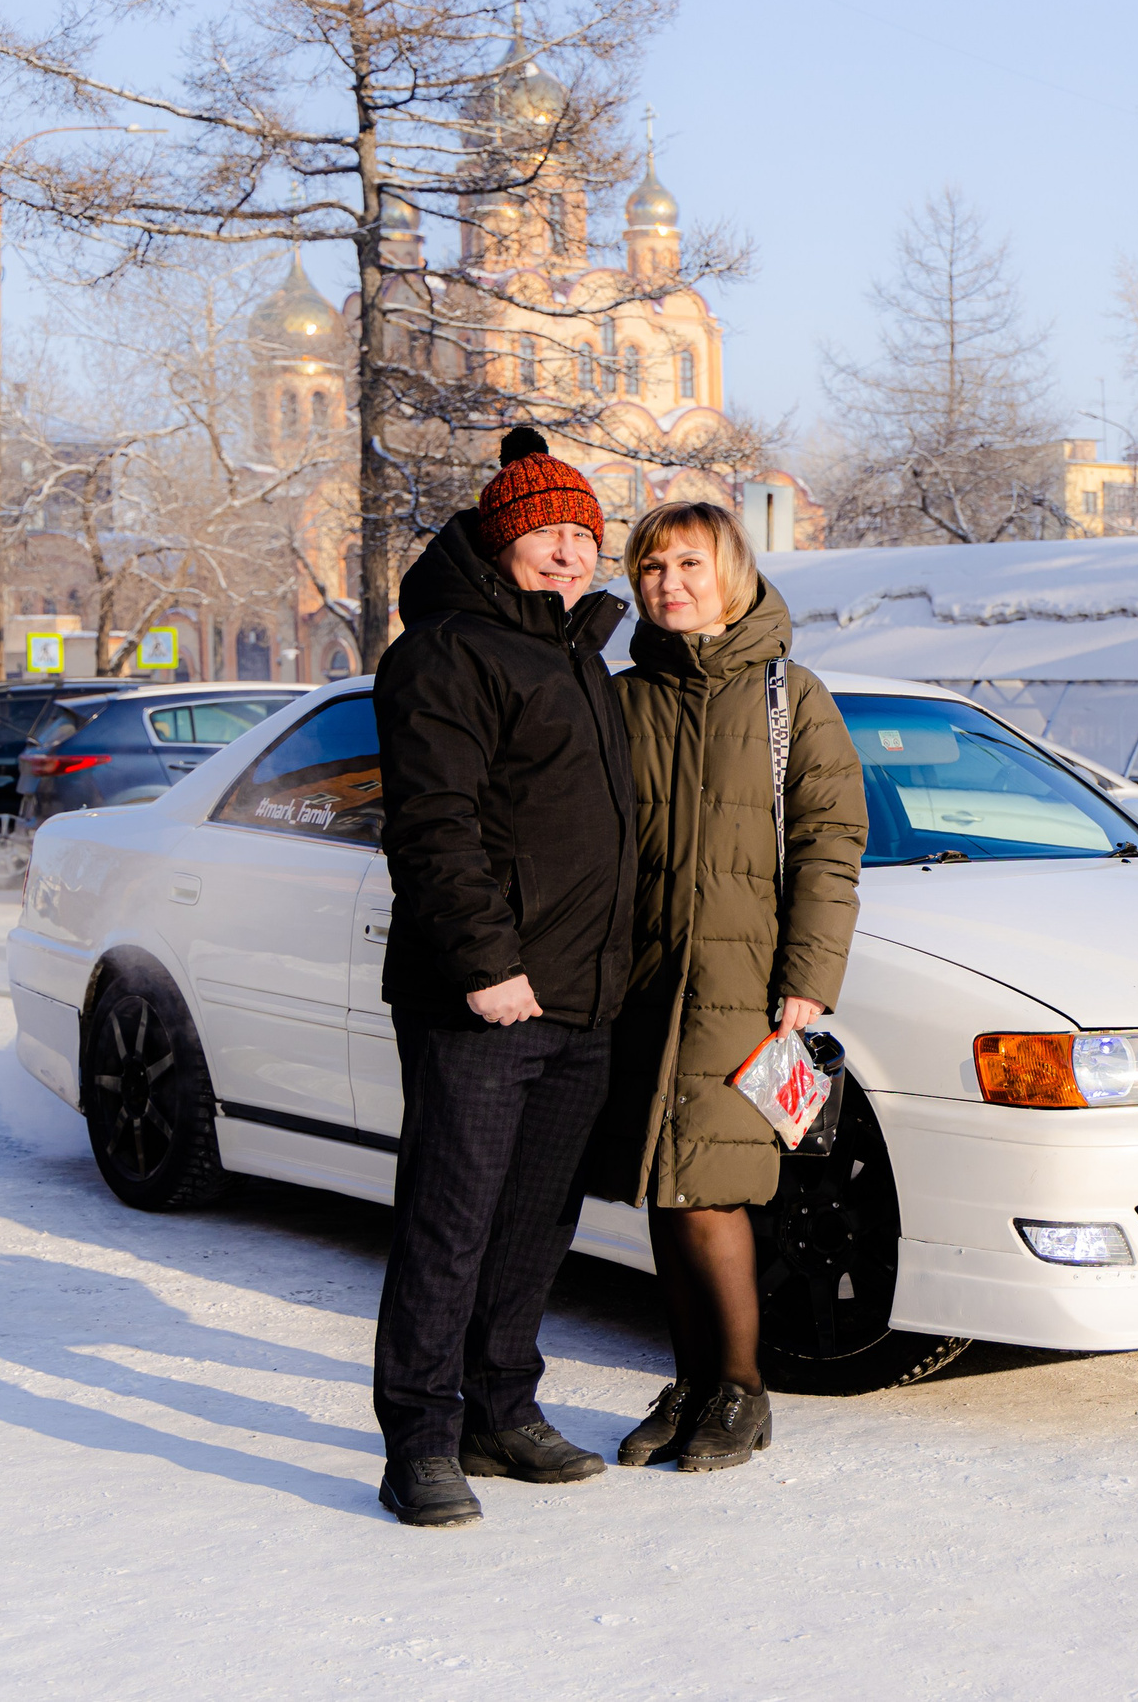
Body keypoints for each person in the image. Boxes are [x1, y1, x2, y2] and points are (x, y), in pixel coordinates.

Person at [369, 426, 636, 1527]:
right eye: (548, 535)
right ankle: (420, 1441)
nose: (570, 556)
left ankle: (501, 1411)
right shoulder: (446, 652)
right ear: (502, 538)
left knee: (535, 1223)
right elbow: (435, 824)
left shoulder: (578, 655)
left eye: (583, 535)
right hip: (483, 1000)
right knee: (450, 1220)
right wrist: (487, 966)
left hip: (581, 998)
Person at [587, 501, 867, 1472]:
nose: (669, 582)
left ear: (733, 572)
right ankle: (696, 1381)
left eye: (689, 563)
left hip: (745, 986)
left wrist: (807, 980)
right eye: (652, 566)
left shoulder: (793, 697)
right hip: (646, 986)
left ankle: (743, 1390)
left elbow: (832, 845)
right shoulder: (622, 698)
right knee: (668, 1194)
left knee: (712, 1194)